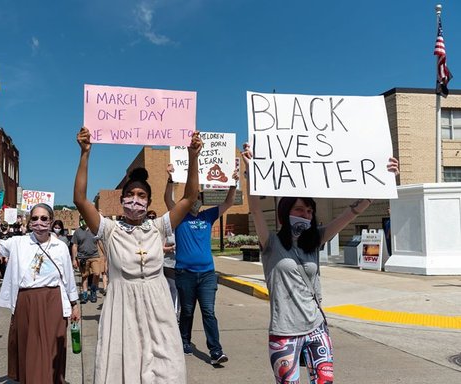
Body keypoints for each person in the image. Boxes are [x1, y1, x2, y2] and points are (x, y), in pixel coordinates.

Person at [241, 143, 399, 384]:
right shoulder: (271, 243)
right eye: (299, 209)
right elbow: (255, 210)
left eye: (309, 211)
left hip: (316, 328)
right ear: (285, 212)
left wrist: (381, 181)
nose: (305, 214)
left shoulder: (315, 240)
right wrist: (250, 171)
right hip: (284, 333)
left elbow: (350, 214)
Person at [74, 126, 202, 383]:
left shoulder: (159, 227)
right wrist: (85, 154)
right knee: (124, 368)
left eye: (141, 195)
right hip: (122, 308)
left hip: (158, 308)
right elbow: (80, 199)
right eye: (130, 195)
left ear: (149, 201)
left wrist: (193, 157)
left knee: (167, 369)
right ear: (121, 199)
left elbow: (189, 198)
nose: (135, 199)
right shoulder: (109, 230)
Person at [0, 202, 80, 384]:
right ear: (29, 222)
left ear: (51, 221)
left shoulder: (60, 247)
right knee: (30, 347)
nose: (39, 222)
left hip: (53, 302)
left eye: (44, 218)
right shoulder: (18, 242)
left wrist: (74, 305)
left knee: (51, 347)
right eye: (34, 218)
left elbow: (68, 278)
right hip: (25, 301)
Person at [164, 163, 238, 365]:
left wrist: (233, 182)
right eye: (192, 197)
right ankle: (185, 340)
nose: (195, 201)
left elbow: (229, 202)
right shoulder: (179, 217)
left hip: (206, 274)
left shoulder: (208, 215)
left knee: (208, 311)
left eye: (198, 197)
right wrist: (170, 180)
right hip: (185, 273)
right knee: (187, 310)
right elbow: (167, 200)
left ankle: (216, 350)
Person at [71, 218, 103, 303]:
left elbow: (99, 242)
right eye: (82, 218)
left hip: (95, 256)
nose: (84, 220)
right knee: (84, 276)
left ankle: (93, 290)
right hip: (83, 258)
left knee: (96, 273)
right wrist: (74, 259)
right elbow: (74, 245)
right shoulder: (77, 231)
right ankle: (85, 294)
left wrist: (105, 253)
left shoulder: (94, 230)